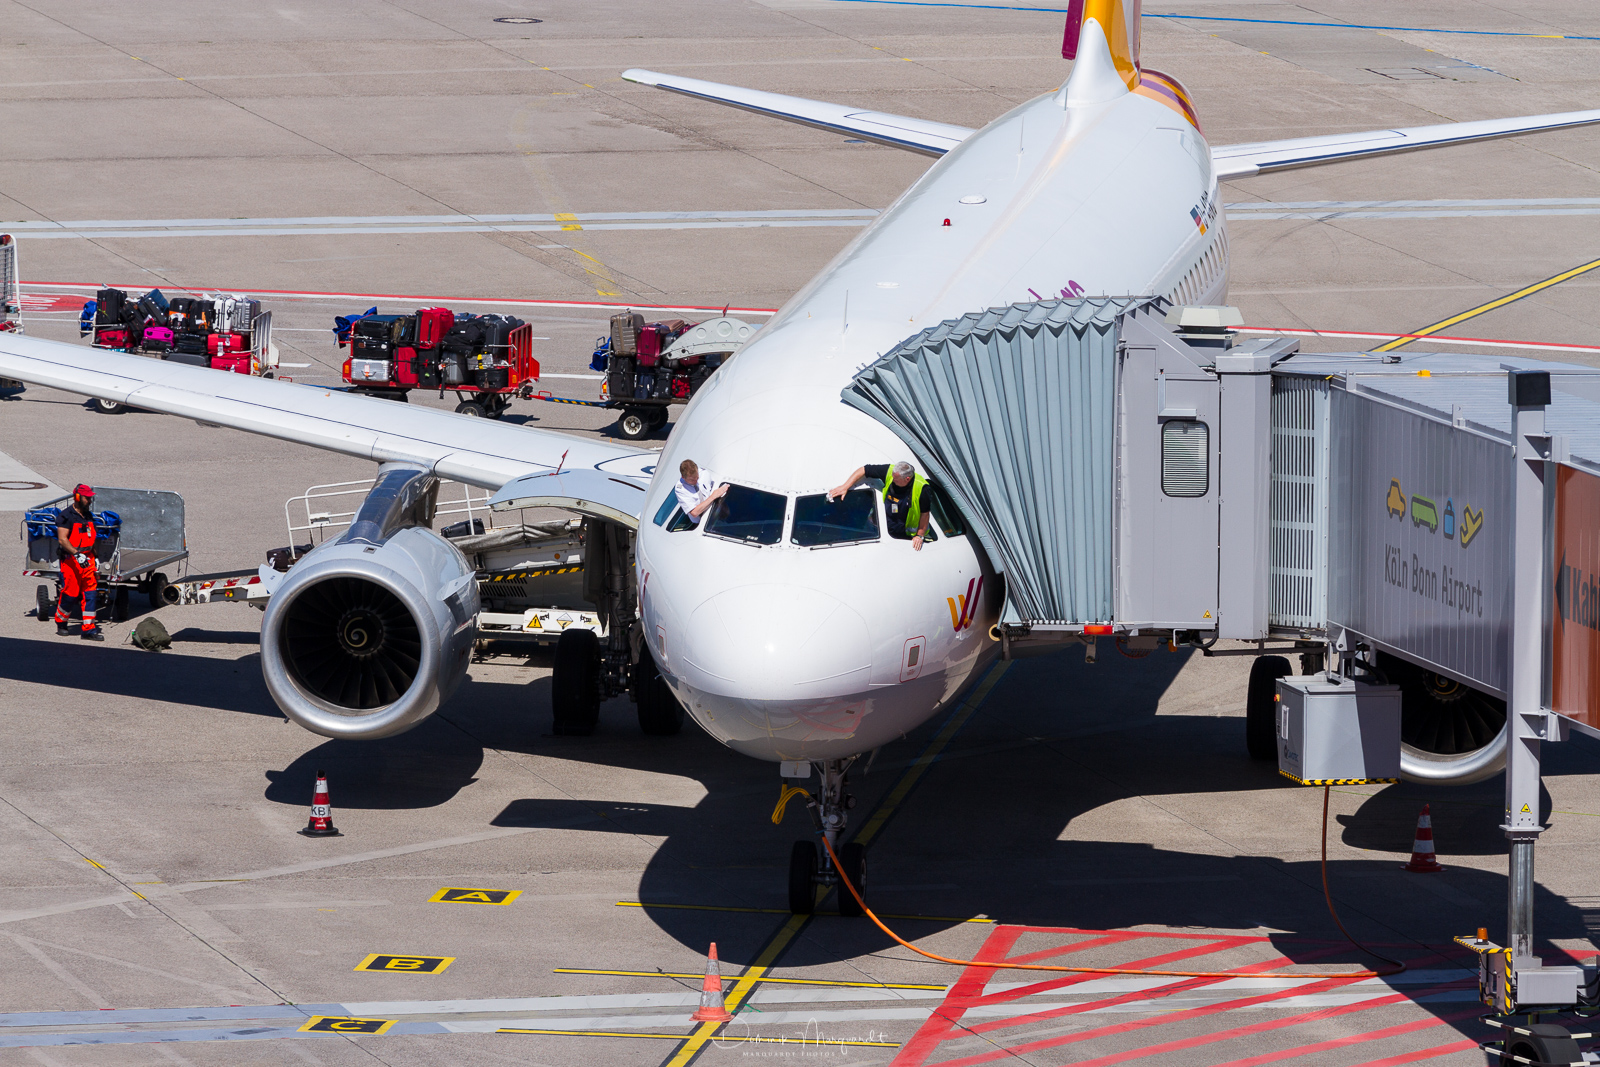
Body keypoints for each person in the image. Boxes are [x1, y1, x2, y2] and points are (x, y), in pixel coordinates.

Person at [829, 460, 933, 550]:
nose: (893, 480)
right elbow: (864, 469)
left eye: (896, 479)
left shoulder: (922, 489)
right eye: (893, 477)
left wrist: (920, 535)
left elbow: (925, 514)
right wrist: (845, 486)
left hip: (904, 534)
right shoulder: (890, 472)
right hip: (885, 524)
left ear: (907, 479)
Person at [55, 484, 104, 640]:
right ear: (77, 497)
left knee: (91, 595)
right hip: (71, 561)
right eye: (87, 498)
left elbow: (92, 539)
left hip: (88, 560)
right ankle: (61, 622)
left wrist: (96, 557)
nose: (90, 500)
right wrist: (76, 554)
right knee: (70, 595)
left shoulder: (88, 516)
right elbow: (62, 540)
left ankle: (89, 630)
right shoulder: (66, 516)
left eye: (90, 497)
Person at [674, 459, 728, 525]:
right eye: (692, 480)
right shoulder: (681, 489)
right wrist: (713, 496)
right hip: (701, 522)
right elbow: (694, 513)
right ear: (683, 477)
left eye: (697, 477)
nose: (696, 481)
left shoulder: (704, 473)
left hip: (714, 510)